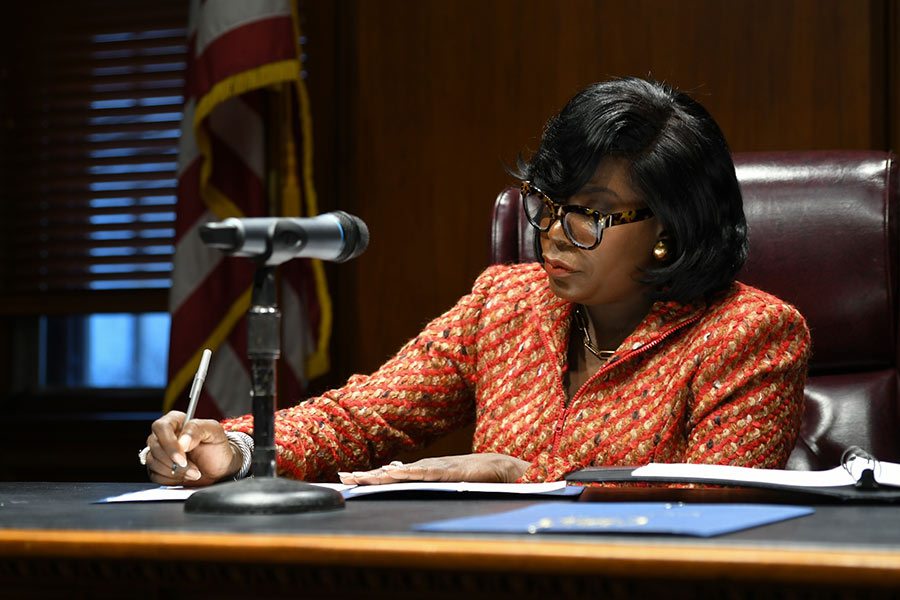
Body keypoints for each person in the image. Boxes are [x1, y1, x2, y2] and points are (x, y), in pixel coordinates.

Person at [144, 77, 810, 487]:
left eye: (591, 213)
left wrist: (523, 477)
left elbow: (715, 501)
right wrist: (237, 448)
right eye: (546, 202)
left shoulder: (750, 334)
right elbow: (364, 415)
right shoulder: (506, 302)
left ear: (669, 226)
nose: (553, 232)